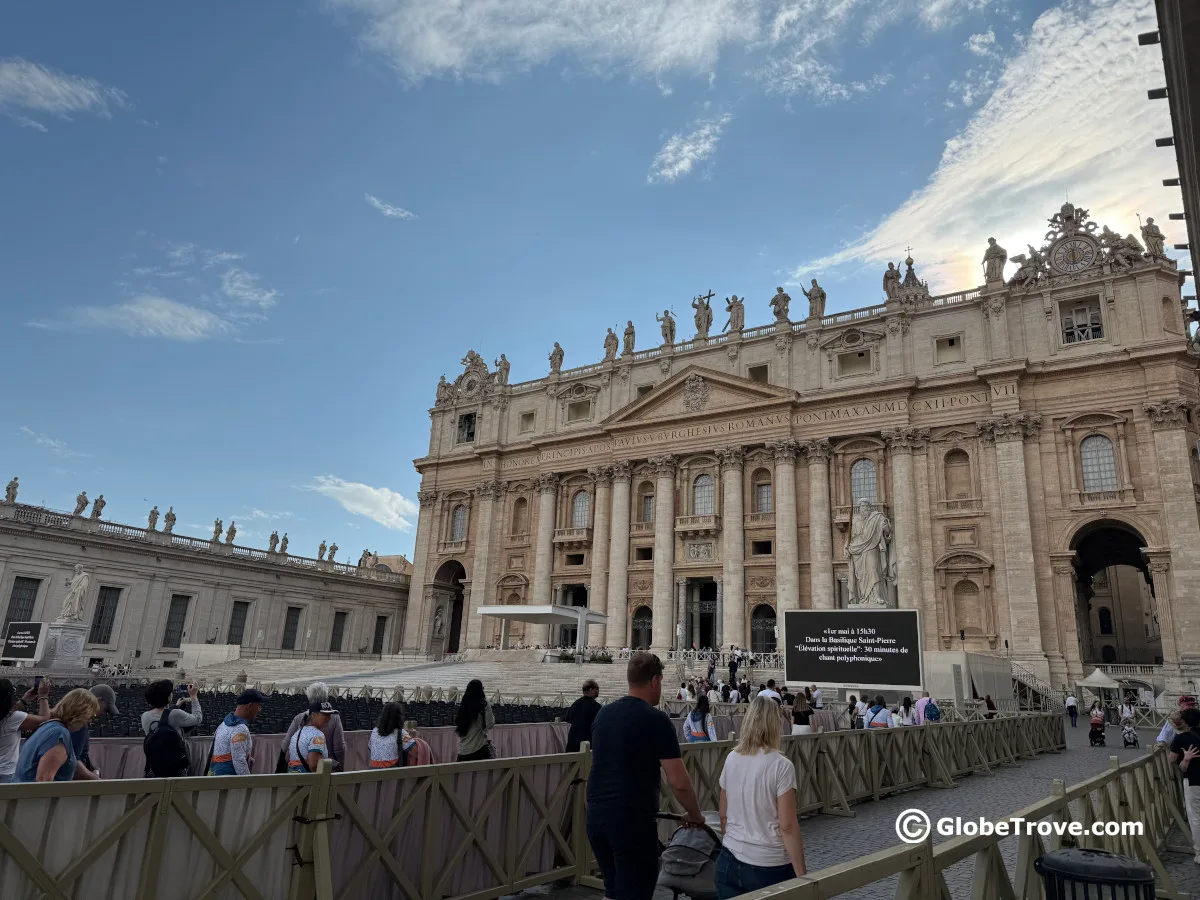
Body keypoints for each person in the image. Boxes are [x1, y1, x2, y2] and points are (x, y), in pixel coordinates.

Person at [587, 652, 704, 900]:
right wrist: (694, 814)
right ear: (654, 681)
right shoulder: (656, 719)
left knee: (614, 891)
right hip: (631, 821)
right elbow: (678, 782)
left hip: (596, 819)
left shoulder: (604, 714)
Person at [716, 695, 807, 898]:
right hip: (769, 864)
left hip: (729, 858)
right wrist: (803, 876)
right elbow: (787, 826)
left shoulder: (731, 758)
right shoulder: (781, 766)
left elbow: (723, 815)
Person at [16, 688, 100, 782]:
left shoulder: (49, 727)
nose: (90, 721)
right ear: (81, 713)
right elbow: (43, 781)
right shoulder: (59, 734)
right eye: (91, 716)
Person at [283, 682, 346, 770]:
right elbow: (339, 748)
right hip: (324, 768)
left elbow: (286, 745)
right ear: (326, 698)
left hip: (297, 769)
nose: (328, 718)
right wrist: (341, 767)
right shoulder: (334, 718)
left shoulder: (298, 718)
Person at [0, 678, 52, 783]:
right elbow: (45, 720)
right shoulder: (13, 718)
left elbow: (5, 712)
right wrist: (43, 696)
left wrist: (24, 700)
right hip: (5, 773)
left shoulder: (10, 718)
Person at [1169, 707, 1200, 864]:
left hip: (1195, 781)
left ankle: (1199, 853)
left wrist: (1185, 759)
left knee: (1196, 818)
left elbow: (1172, 760)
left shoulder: (1181, 739)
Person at [210, 689, 265, 775]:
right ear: (250, 706)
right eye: (258, 705)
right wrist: (248, 782)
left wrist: (247, 758)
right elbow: (239, 761)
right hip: (228, 778)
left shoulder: (223, 724)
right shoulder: (240, 729)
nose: (259, 710)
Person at [455, 679, 495, 761]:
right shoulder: (484, 705)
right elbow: (490, 724)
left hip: (463, 751)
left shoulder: (463, 706)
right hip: (479, 749)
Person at [287, 702, 333, 772]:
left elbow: (287, 757)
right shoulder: (317, 735)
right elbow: (314, 765)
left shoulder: (297, 732)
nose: (329, 718)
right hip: (308, 777)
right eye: (325, 715)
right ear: (314, 715)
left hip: (292, 776)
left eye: (329, 715)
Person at [566, 679, 602, 753]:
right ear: (591, 689)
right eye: (597, 688)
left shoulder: (575, 703)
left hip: (573, 743)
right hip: (588, 744)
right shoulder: (596, 706)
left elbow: (568, 718)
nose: (598, 691)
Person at [368, 702, 408, 768]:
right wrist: (416, 737)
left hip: (373, 769)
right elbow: (415, 751)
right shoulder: (402, 733)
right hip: (392, 770)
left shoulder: (374, 731)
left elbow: (370, 747)